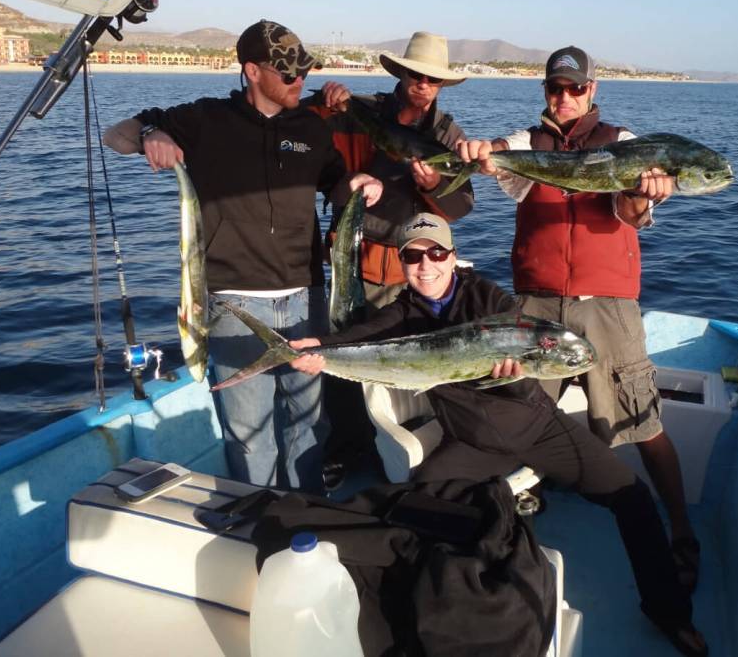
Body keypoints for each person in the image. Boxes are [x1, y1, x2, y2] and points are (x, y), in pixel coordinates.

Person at [286, 214, 706, 656]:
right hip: (471, 443)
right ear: (402, 263)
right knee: (417, 511)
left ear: (452, 257)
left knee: (632, 496)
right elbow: (360, 337)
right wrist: (318, 350)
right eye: (413, 256)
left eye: (436, 253)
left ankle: (670, 614)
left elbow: (519, 342)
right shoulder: (401, 315)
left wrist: (513, 374)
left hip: (539, 428)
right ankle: (418, 619)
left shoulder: (488, 297)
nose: (426, 265)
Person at [455, 46, 701, 591]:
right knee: (518, 411)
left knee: (641, 420)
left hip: (607, 304)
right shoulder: (529, 143)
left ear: (593, 90)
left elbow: (631, 216)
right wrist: (482, 152)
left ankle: (681, 528)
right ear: (545, 90)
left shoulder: (624, 142)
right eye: (555, 88)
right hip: (535, 303)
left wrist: (642, 192)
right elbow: (504, 153)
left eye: (575, 88)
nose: (564, 97)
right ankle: (515, 505)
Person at [102, 19, 382, 491]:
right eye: (288, 72)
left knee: (310, 422)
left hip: (306, 298)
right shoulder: (204, 119)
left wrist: (355, 183)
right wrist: (152, 133)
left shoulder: (312, 128)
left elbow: (334, 183)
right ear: (252, 71)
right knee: (251, 435)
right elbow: (115, 135)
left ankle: (304, 510)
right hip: (234, 303)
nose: (300, 80)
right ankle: (261, 511)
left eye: (304, 71)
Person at [310, 32, 474, 488]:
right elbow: (314, 161)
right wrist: (325, 102)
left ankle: (410, 445)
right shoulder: (355, 111)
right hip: (353, 264)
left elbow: (463, 205)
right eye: (416, 75)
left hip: (414, 273)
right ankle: (345, 448)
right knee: (343, 358)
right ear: (400, 73)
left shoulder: (448, 137)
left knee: (406, 362)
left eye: (432, 79)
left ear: (442, 85)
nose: (423, 84)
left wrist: (432, 185)